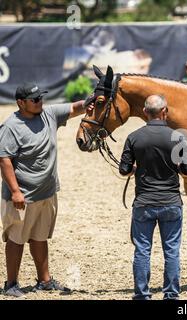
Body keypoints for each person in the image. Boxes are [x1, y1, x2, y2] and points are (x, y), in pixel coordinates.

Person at [0, 83, 94, 297]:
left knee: (40, 237)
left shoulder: (48, 114)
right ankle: (11, 284)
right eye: (35, 99)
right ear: (20, 103)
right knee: (17, 238)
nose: (40, 102)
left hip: (47, 192)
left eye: (41, 98)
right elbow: (4, 160)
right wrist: (15, 191)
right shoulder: (11, 127)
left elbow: (75, 108)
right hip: (22, 196)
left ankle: (44, 280)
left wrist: (94, 98)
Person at [119, 94, 187, 300]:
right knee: (171, 251)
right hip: (171, 201)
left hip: (144, 203)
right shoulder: (178, 137)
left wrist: (135, 168)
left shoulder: (134, 137)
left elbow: (124, 171)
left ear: (145, 112)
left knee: (142, 250)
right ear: (165, 111)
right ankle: (171, 294)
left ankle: (142, 294)